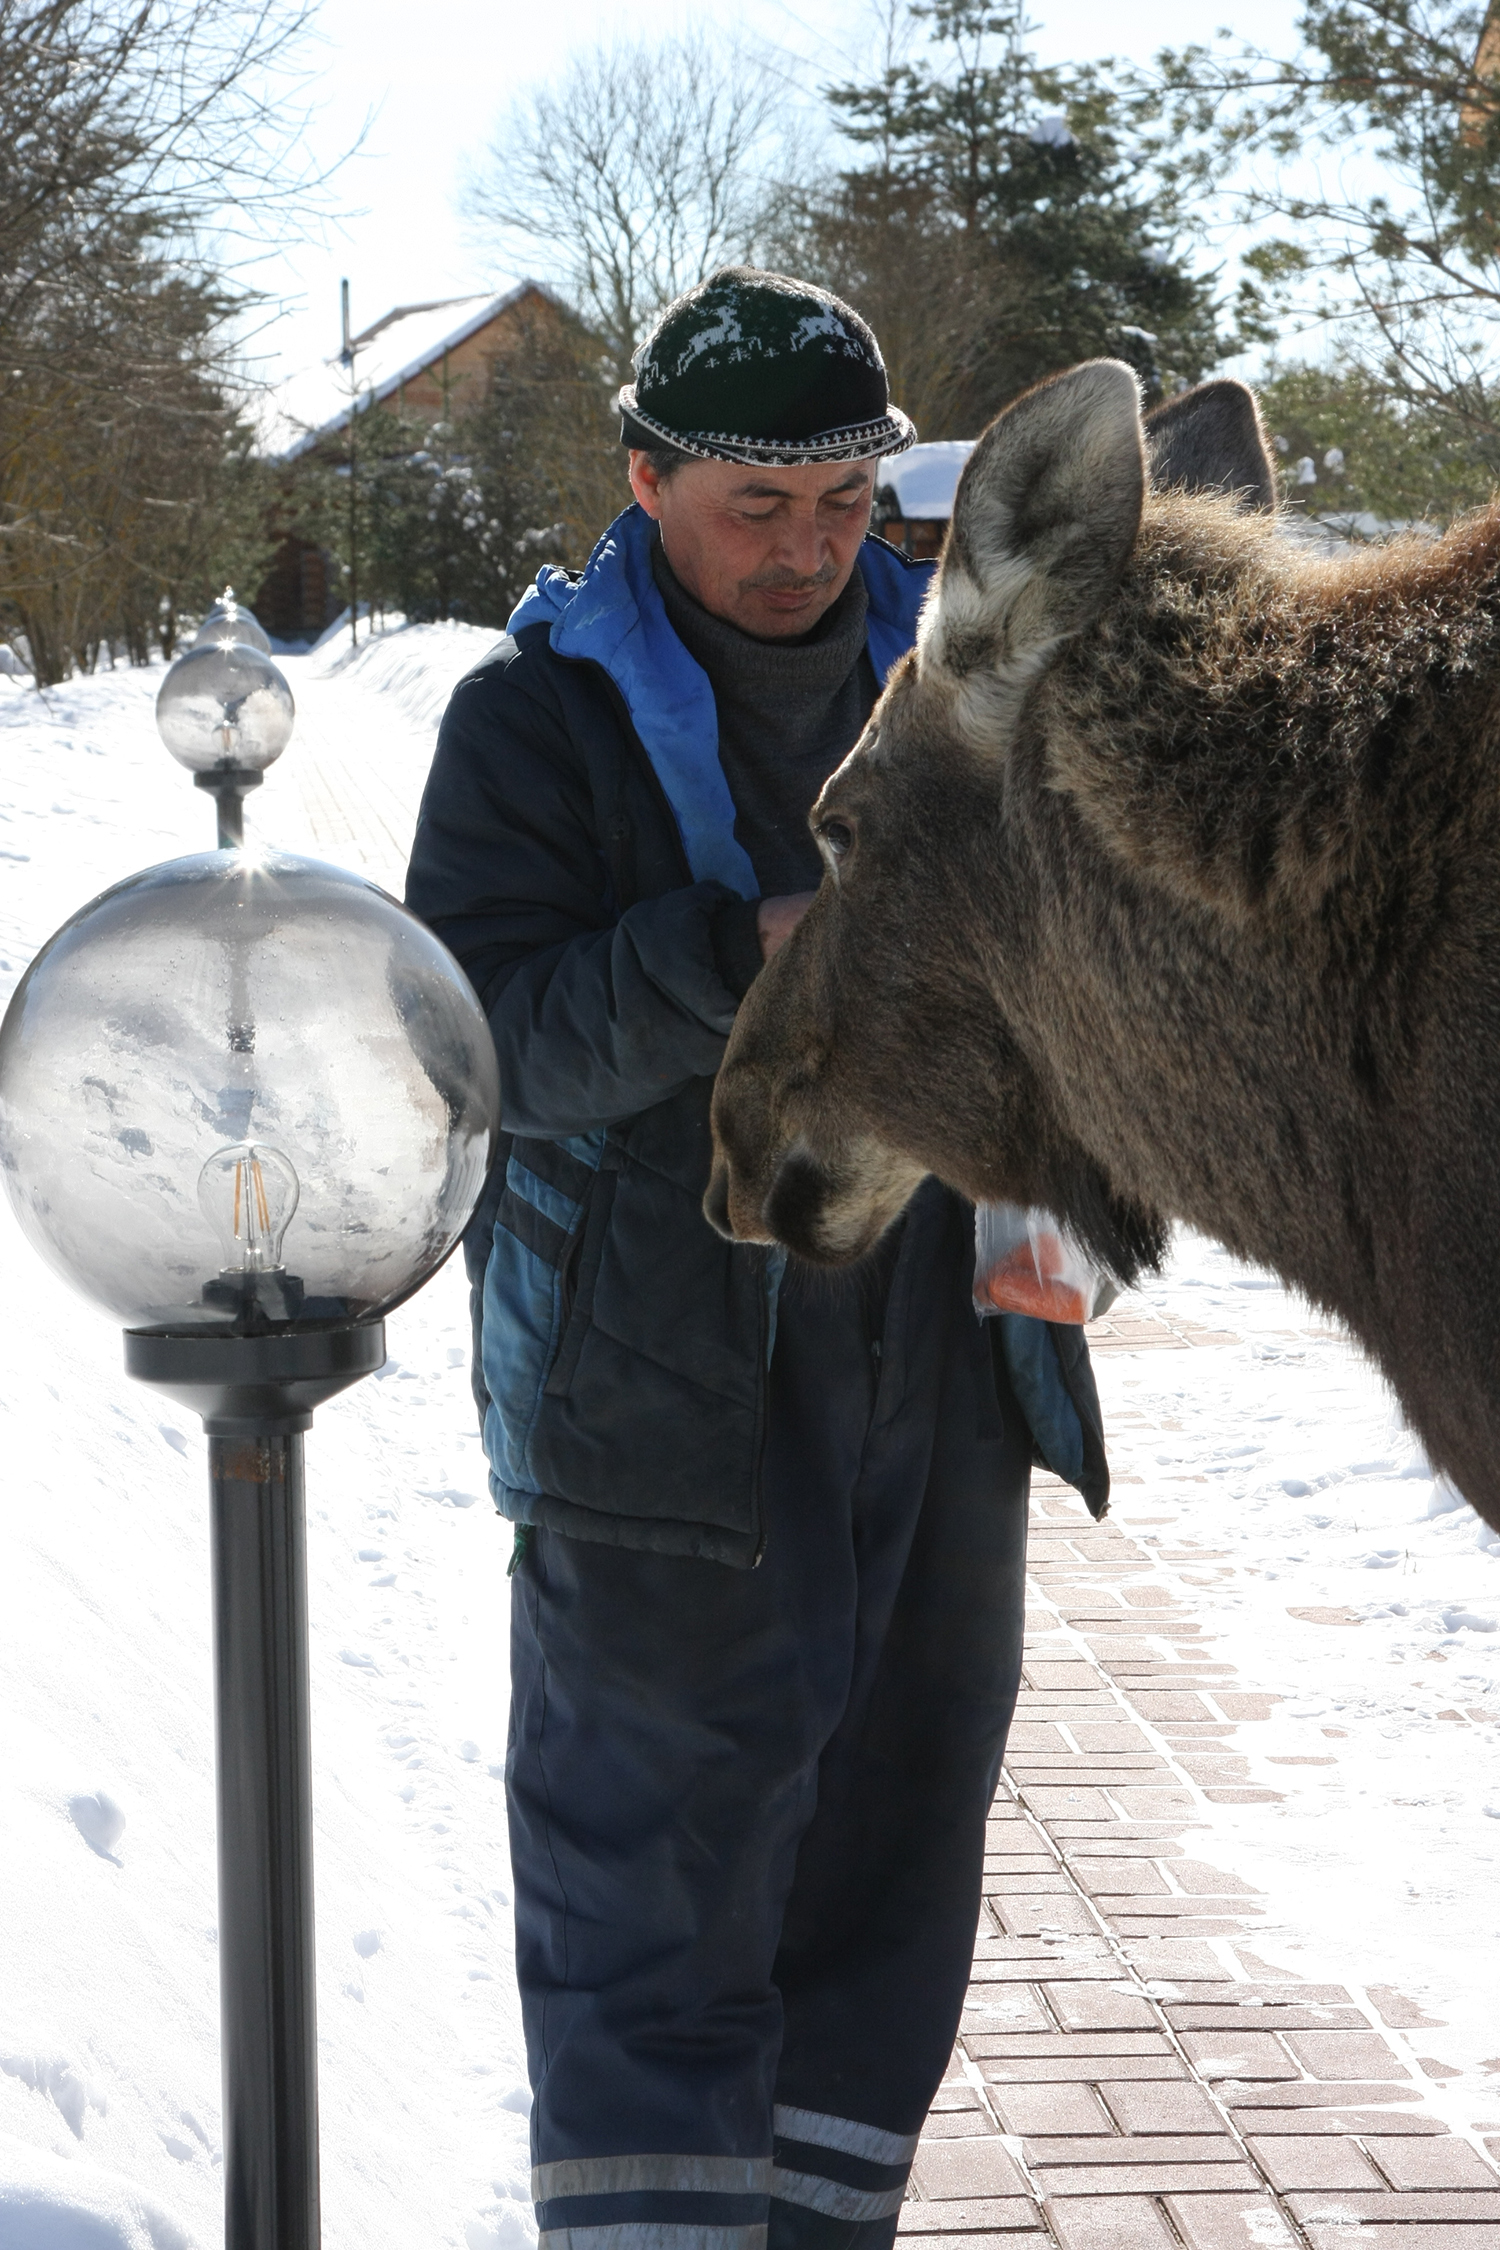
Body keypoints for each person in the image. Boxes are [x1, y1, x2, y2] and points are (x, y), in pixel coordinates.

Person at [405, 267, 1107, 2250]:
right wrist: (742, 956)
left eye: (842, 501)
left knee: (887, 1888)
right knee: (653, 1893)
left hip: (944, 1388)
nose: (806, 549)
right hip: (654, 1410)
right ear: (645, 484)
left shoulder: (974, 690)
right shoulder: (530, 725)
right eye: (752, 507)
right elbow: (485, 1046)